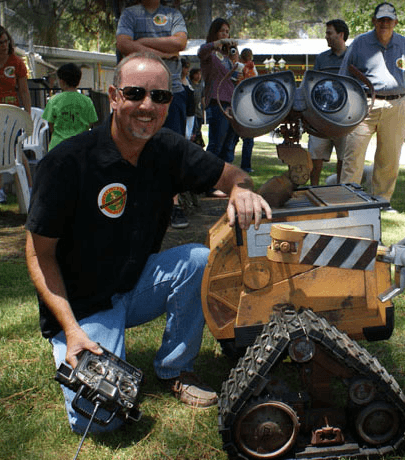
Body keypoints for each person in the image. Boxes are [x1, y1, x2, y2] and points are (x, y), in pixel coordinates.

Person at [25, 52, 272, 435]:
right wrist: (72, 329)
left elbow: (234, 174)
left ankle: (175, 368)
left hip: (135, 284)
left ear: (168, 104)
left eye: (159, 97)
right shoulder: (67, 163)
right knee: (99, 418)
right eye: (136, 93)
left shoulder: (168, 149)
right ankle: (72, 341)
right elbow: (39, 256)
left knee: (198, 259)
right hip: (84, 304)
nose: (147, 106)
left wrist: (240, 190)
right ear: (114, 96)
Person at [116, 0, 189, 226]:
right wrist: (164, 54)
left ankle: (173, 204)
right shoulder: (129, 14)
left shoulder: (173, 14)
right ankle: (131, 201)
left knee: (172, 148)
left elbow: (180, 42)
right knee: (132, 146)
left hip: (170, 90)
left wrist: (143, 43)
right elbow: (123, 44)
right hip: (135, 93)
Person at [339, 2, 405, 210]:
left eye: (389, 20)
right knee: (354, 155)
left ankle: (382, 202)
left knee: (390, 158)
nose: (385, 23)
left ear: (395, 22)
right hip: (365, 104)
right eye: (381, 19)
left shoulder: (404, 43)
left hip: (397, 104)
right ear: (374, 21)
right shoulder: (360, 43)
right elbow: (344, 75)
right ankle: (348, 202)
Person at [198, 18, 238, 197]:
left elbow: (235, 77)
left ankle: (224, 183)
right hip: (216, 102)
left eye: (227, 32)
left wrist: (235, 60)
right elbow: (201, 51)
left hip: (232, 103)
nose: (225, 35)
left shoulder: (227, 58)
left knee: (229, 145)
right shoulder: (210, 54)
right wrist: (218, 43)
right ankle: (207, 183)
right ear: (214, 33)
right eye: (222, 31)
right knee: (216, 144)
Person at [308, 19, 349, 185]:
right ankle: (314, 190)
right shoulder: (321, 59)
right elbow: (312, 85)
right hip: (320, 117)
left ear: (341, 35)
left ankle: (339, 192)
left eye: (329, 33)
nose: (326, 36)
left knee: (343, 159)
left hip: (345, 118)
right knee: (315, 157)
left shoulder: (353, 57)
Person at [0, 25, 32, 203]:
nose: (3, 46)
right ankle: (1, 192)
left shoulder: (17, 62)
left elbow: (25, 91)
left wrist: (27, 115)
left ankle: (30, 188)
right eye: (0, 43)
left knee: (16, 152)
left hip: (11, 115)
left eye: (5, 42)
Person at [42, 63, 98, 151]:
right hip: (81, 145)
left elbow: (50, 124)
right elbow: (91, 122)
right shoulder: (86, 101)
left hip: (58, 146)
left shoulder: (53, 100)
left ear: (62, 81)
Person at [239, 48, 257, 173]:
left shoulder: (238, 66)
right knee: (248, 139)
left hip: (239, 104)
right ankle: (246, 165)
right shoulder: (251, 68)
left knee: (232, 139)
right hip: (248, 105)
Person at [189, 67, 205, 147]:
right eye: (197, 74)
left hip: (199, 113)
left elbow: (202, 100)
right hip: (192, 113)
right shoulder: (189, 85)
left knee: (198, 131)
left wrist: (203, 113)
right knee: (193, 133)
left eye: (200, 74)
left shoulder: (201, 86)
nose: (199, 76)